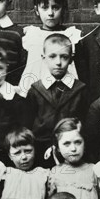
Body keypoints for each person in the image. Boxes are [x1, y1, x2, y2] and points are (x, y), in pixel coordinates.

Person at [25, 33, 88, 166]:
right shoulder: (36, 90)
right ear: (43, 58)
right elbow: (28, 124)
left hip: (71, 151)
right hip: (41, 151)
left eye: (64, 57)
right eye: (52, 56)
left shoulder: (80, 90)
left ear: (71, 59)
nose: (58, 62)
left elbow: (84, 124)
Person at [18, 0, 87, 95]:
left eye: (55, 7)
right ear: (36, 10)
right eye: (45, 7)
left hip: (65, 93)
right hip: (36, 93)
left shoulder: (72, 36)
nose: (50, 13)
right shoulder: (32, 36)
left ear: (63, 9)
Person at [47, 118, 99, 199]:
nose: (73, 149)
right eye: (66, 144)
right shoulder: (54, 173)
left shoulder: (95, 170)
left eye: (78, 142)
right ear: (58, 147)